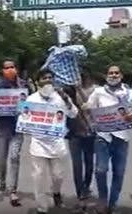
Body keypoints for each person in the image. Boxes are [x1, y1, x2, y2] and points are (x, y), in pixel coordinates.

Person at [83, 65, 132, 214]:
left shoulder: (130, 93)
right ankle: (103, 199)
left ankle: (113, 204)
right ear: (106, 76)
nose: (114, 75)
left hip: (122, 138)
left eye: (116, 73)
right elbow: (90, 105)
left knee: (119, 173)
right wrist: (87, 107)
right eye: (111, 73)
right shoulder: (98, 92)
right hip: (102, 136)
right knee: (100, 170)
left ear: (121, 76)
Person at [26, 70, 78, 214]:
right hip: (38, 144)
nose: (48, 81)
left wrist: (67, 100)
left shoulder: (60, 98)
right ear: (38, 82)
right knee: (38, 177)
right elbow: (24, 119)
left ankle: (56, 193)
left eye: (50, 78)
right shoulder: (31, 99)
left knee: (58, 176)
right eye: (44, 78)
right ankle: (42, 208)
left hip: (57, 143)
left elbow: (74, 113)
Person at [0, 59, 28, 206]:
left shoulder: (23, 85)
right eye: (7, 68)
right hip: (3, 127)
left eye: (12, 67)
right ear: (3, 70)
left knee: (14, 157)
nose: (10, 70)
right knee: (2, 159)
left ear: (16, 69)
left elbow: (27, 105)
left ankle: (13, 190)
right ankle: (1, 182)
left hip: (18, 128)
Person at [62, 73, 98, 212]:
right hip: (74, 133)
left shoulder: (94, 90)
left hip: (89, 132)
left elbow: (88, 105)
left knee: (89, 164)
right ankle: (80, 194)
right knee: (77, 165)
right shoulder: (68, 90)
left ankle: (86, 187)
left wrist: (79, 89)